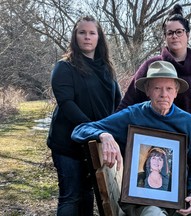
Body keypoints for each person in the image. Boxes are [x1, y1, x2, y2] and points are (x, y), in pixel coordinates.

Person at [71, 61, 191, 216]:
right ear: (147, 90)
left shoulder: (187, 121)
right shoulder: (133, 115)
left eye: (169, 89)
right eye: (157, 88)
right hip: (141, 200)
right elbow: (80, 130)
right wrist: (103, 135)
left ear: (176, 91)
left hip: (180, 196)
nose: (163, 94)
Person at [116, 4, 191, 199]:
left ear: (188, 35)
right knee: (159, 201)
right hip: (156, 147)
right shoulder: (152, 67)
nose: (174, 36)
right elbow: (129, 101)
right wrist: (118, 135)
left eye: (179, 32)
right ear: (165, 37)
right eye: (169, 33)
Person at [47, 15, 121, 216]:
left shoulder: (107, 69)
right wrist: (96, 131)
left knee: (88, 194)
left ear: (99, 38)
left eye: (92, 33)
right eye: (82, 32)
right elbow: (67, 104)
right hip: (67, 145)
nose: (87, 37)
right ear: (75, 36)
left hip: (95, 145)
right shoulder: (64, 67)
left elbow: (118, 104)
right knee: (71, 197)